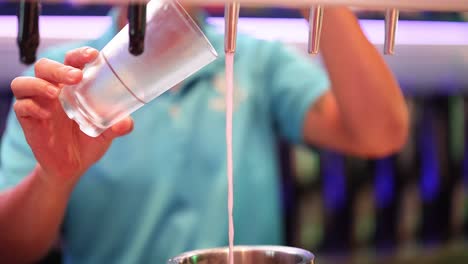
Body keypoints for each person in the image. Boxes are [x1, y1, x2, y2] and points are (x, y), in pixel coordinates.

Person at [0, 3, 408, 263]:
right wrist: (55, 176)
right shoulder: (67, 83)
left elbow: (380, 133)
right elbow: (11, 249)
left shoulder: (255, 59)